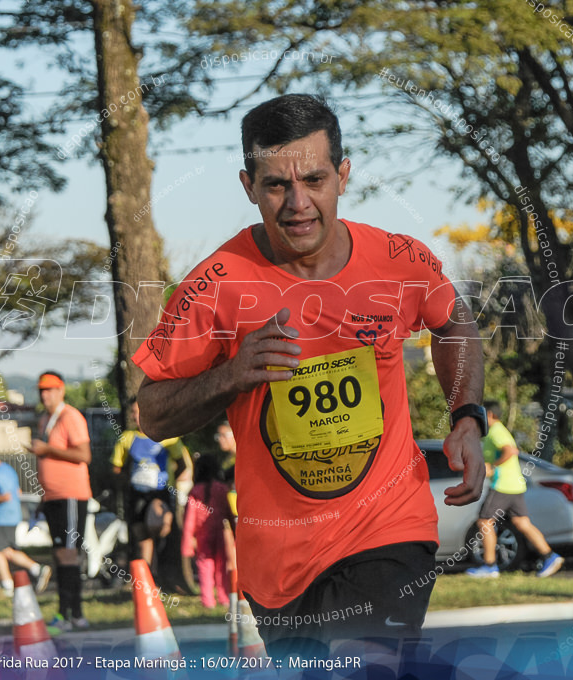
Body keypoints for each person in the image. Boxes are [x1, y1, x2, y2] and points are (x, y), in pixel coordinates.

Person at [133, 94, 485, 659]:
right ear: (248, 186)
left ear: (343, 176)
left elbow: (453, 323)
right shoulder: (215, 284)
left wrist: (467, 415)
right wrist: (234, 373)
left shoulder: (398, 260)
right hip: (280, 562)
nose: (298, 203)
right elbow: (151, 414)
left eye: (315, 180)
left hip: (387, 528)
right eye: (276, 185)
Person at [466, 401, 564, 578]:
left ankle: (489, 566)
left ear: (489, 415)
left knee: (485, 522)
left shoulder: (496, 431)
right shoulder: (497, 431)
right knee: (522, 523)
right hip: (515, 485)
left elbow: (511, 451)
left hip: (502, 485)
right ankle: (550, 556)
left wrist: (494, 467)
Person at [28, 371, 92, 632]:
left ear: (62, 390)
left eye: (51, 389)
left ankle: (73, 614)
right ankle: (65, 613)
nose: (45, 395)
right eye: (42, 390)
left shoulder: (70, 416)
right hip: (53, 497)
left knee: (69, 554)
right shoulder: (45, 420)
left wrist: (47, 451)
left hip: (71, 496)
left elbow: (84, 454)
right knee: (59, 554)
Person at [111, 403, 192, 572]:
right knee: (142, 535)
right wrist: (129, 481)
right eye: (133, 412)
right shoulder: (127, 437)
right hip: (137, 492)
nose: (134, 416)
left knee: (158, 526)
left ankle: (165, 570)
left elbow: (182, 463)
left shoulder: (167, 436)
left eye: (138, 412)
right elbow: (117, 467)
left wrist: (170, 482)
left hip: (159, 492)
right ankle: (149, 577)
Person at [0, 450, 52, 596]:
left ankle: (8, 585)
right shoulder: (8, 470)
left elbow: (7, 496)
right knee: (7, 550)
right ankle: (37, 569)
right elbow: (18, 491)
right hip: (12, 516)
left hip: (2, 517)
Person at [181, 454, 231, 608]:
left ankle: (208, 600)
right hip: (220, 532)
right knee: (222, 565)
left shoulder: (195, 491)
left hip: (203, 534)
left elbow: (189, 519)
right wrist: (235, 531)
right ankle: (224, 597)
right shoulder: (222, 489)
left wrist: (187, 542)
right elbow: (228, 512)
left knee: (205, 565)